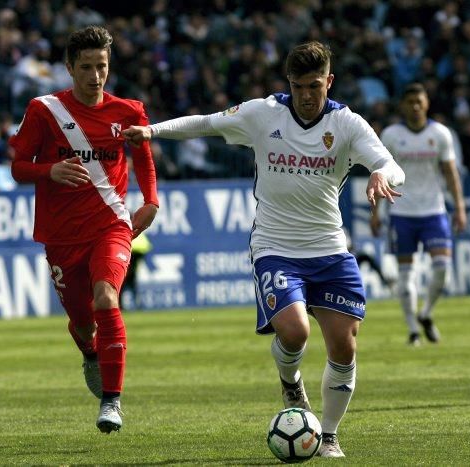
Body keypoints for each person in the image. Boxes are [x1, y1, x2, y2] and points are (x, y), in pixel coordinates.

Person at [124, 41, 404, 458]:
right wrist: (153, 130)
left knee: (344, 346)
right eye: (297, 87)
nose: (306, 96)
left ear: (329, 81)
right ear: (288, 84)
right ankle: (290, 381)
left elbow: (390, 163)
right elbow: (207, 122)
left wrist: (381, 174)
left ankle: (327, 435)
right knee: (295, 332)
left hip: (329, 247)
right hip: (275, 246)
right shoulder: (263, 114)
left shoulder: (347, 124)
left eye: (314, 86)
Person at [9, 26, 159, 433]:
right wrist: (50, 170)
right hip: (61, 236)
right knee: (83, 321)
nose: (96, 76)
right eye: (87, 67)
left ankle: (112, 402)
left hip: (110, 225)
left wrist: (151, 201)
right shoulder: (44, 111)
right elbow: (18, 167)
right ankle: (91, 354)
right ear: (70, 68)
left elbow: (143, 156)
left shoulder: (128, 111)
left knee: (106, 298)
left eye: (102, 66)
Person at [371, 83, 466, 346]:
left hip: (434, 212)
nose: (415, 106)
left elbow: (450, 172)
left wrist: (459, 207)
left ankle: (425, 313)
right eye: (410, 101)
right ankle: (413, 329)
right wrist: (376, 212)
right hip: (402, 213)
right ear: (402, 105)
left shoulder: (440, 134)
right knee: (406, 275)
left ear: (427, 104)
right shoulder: (391, 135)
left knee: (443, 269)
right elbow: (380, 175)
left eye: (419, 101)